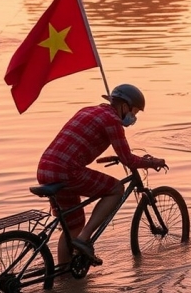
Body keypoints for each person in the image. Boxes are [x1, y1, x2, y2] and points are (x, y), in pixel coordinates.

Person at [36, 84, 166, 266]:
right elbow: (128, 159)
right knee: (116, 188)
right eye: (134, 111)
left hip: (46, 168)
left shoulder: (89, 110)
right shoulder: (112, 121)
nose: (133, 117)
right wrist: (152, 163)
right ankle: (84, 239)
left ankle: (64, 276)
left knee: (72, 226)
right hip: (67, 171)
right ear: (124, 106)